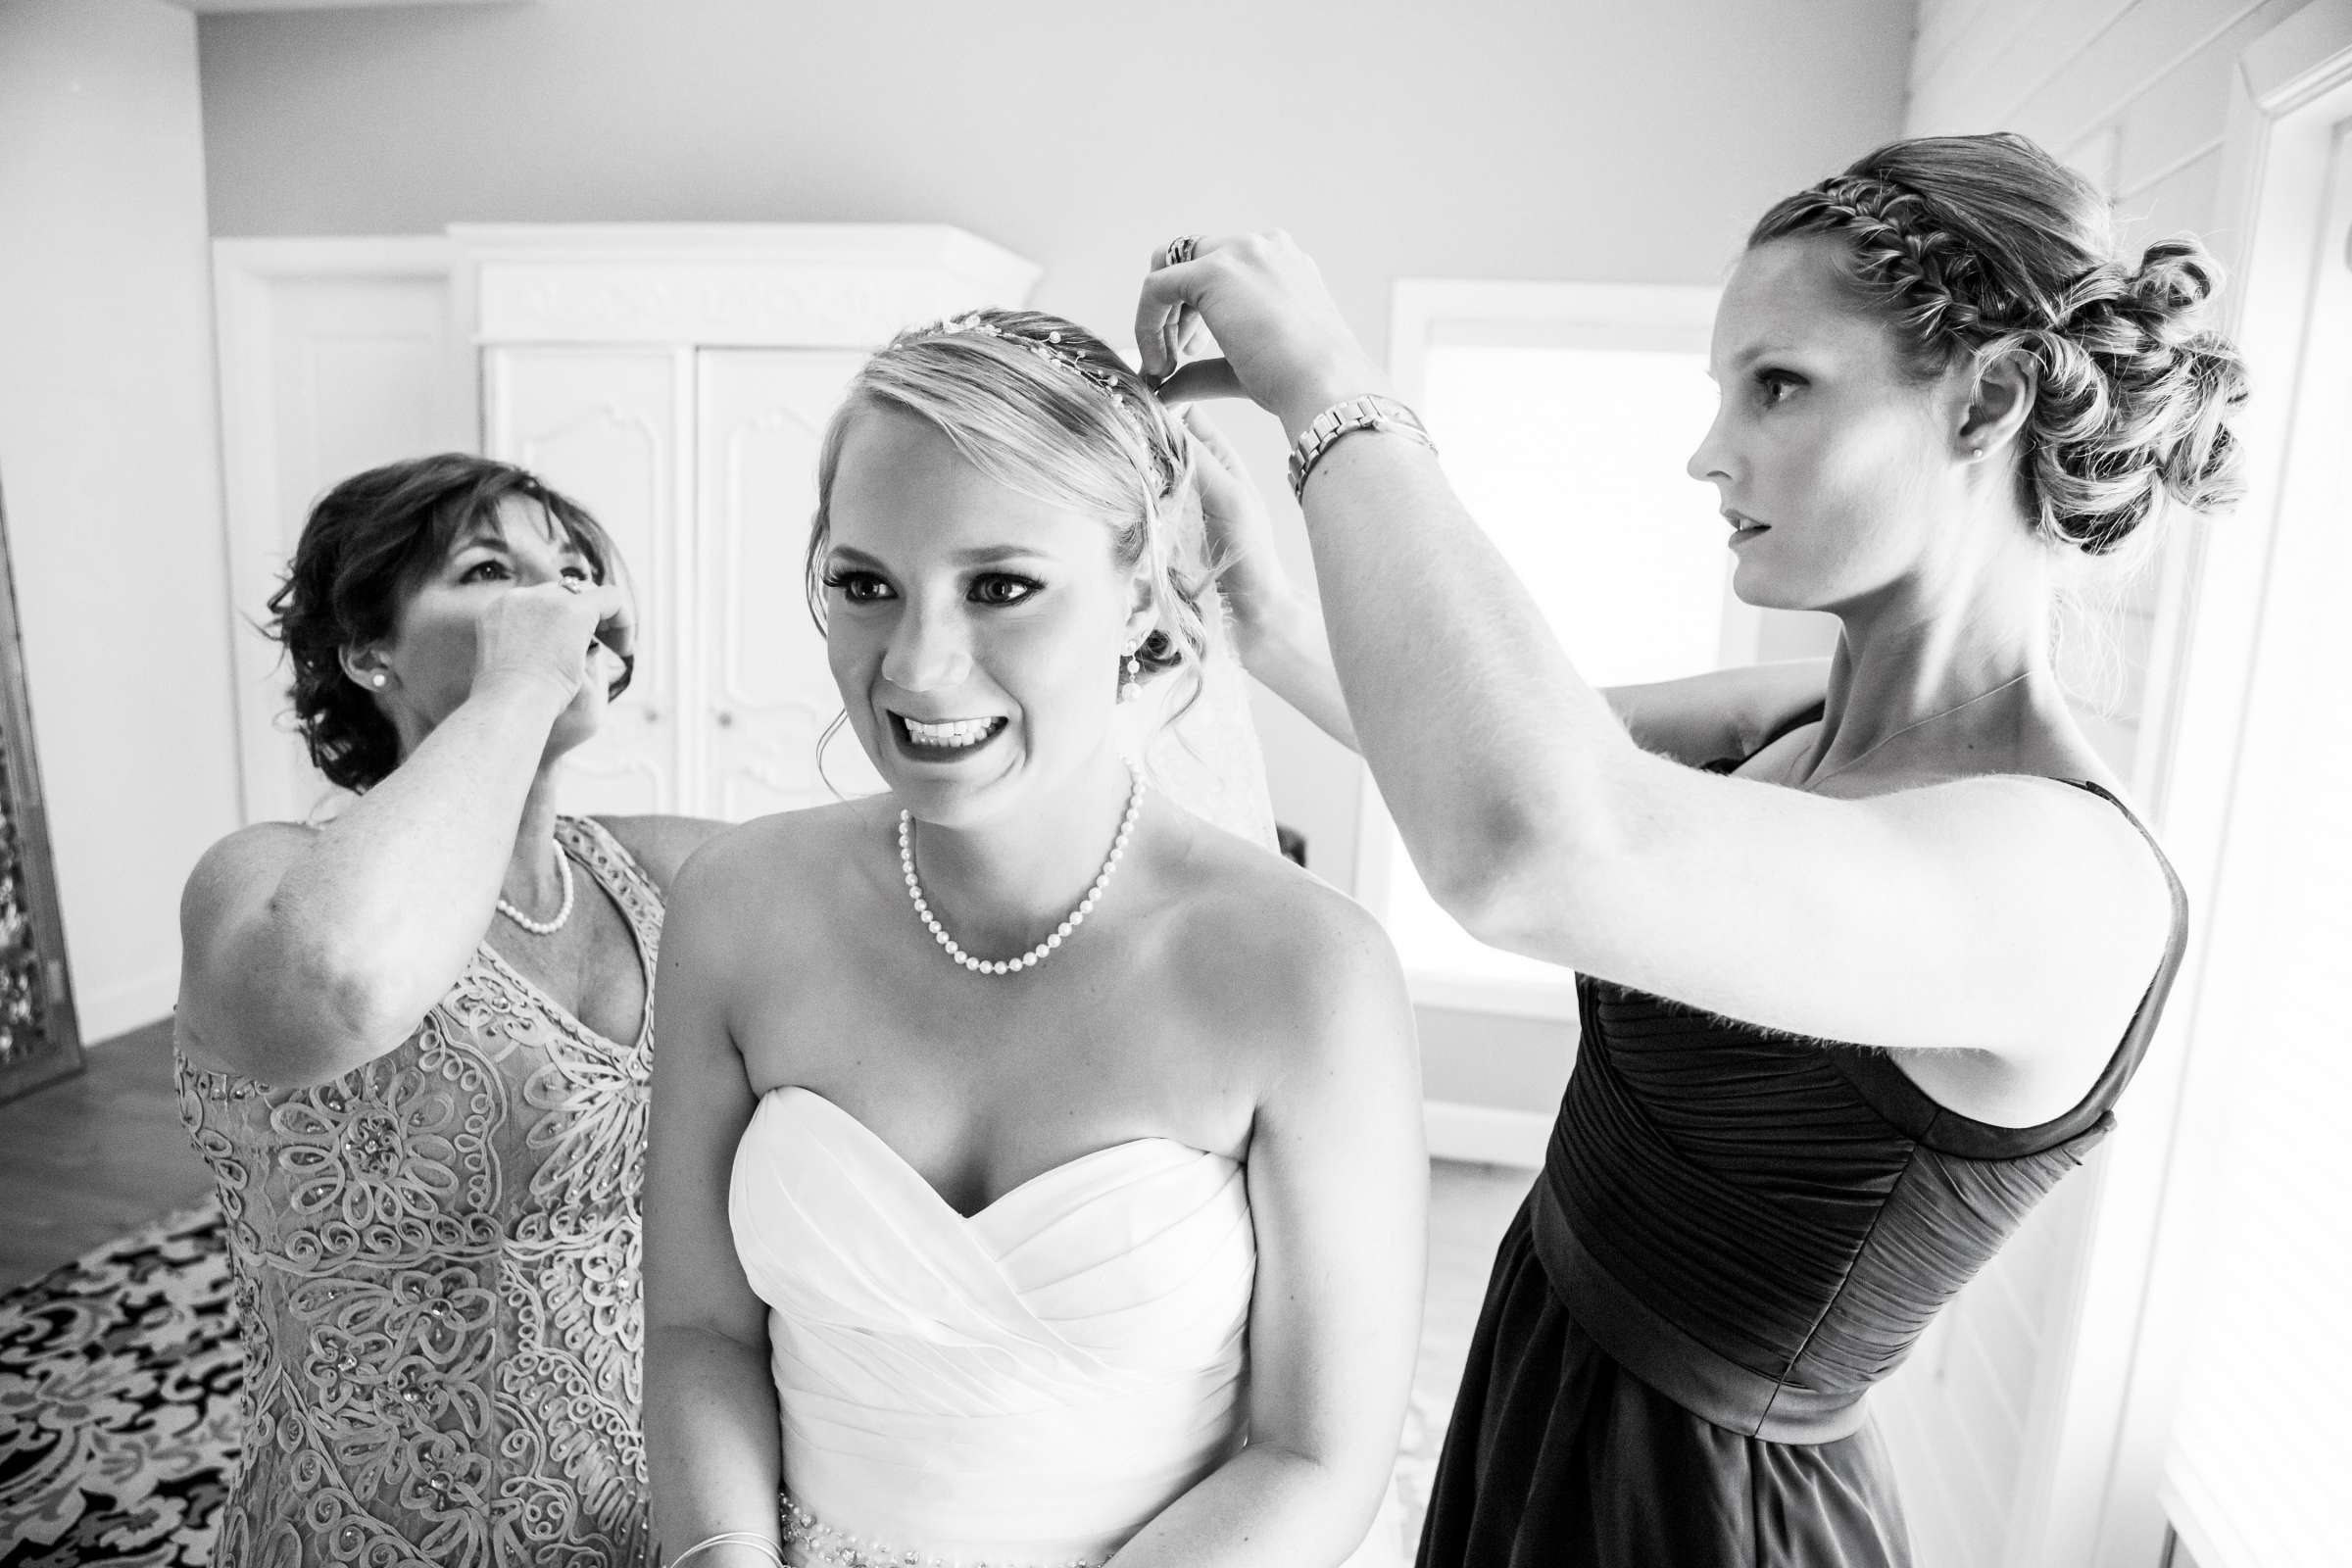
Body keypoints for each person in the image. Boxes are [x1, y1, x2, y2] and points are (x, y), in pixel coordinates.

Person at [1138, 130, 2245, 1565]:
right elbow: (1471, 742)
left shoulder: (2064, 883)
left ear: (1990, 397)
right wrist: (1265, 618)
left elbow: (1530, 846)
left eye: (1777, 385)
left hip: (1703, 1514)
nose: (1709, 452)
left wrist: (1336, 400)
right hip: (1545, 1369)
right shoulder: (1794, 715)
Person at [643, 309, 1425, 1568]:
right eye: (864, 585)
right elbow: (698, 1331)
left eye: (1000, 586)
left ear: (1139, 594)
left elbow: (1317, 1451)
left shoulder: (1304, 969)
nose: (917, 665)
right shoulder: (736, 905)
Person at [173, 453, 724, 1567]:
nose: (563, 601)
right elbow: (341, 983)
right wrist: (518, 686)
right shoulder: (265, 880)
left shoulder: (664, 868)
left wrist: (1171, 554)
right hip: (380, 1531)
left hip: (658, 1516)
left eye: (575, 573)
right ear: (367, 651)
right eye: (490, 572)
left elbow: (942, 876)